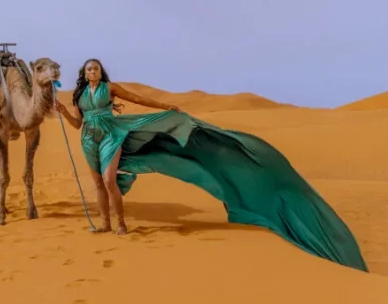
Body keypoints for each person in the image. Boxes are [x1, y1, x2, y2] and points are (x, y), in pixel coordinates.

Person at [55, 58, 368, 273]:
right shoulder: (81, 93)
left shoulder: (111, 89)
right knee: (97, 184)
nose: (92, 71)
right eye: (88, 69)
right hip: (88, 139)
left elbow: (140, 99)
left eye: (95, 68)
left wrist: (166, 106)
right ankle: (105, 224)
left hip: (112, 134)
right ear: (84, 74)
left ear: (102, 72)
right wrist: (61, 111)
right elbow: (75, 123)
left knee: (110, 180)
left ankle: (121, 223)